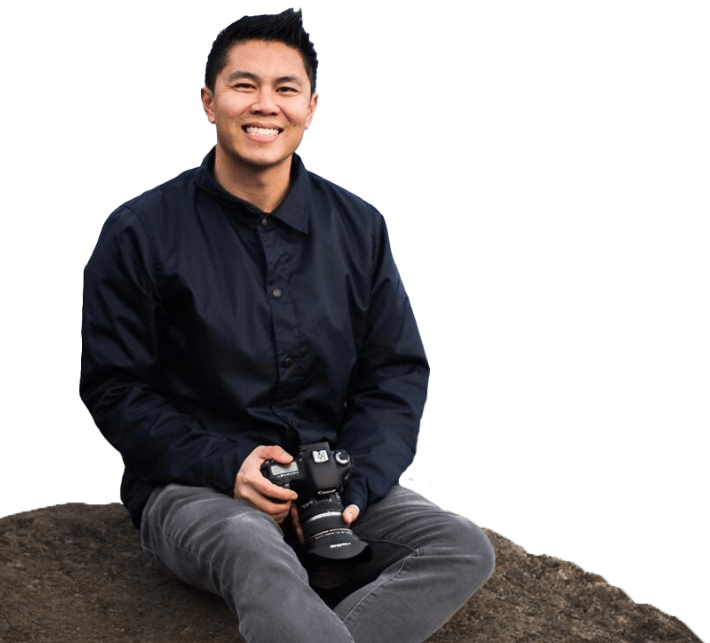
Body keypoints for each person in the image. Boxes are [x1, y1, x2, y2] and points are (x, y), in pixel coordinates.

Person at [79, 9, 494, 643]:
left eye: (286, 88)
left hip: (332, 478)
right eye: (244, 85)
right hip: (196, 488)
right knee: (253, 546)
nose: (264, 105)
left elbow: (396, 373)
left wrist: (353, 485)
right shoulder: (139, 231)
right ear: (208, 102)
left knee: (462, 547)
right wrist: (229, 464)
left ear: (312, 106)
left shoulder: (360, 227)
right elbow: (115, 388)